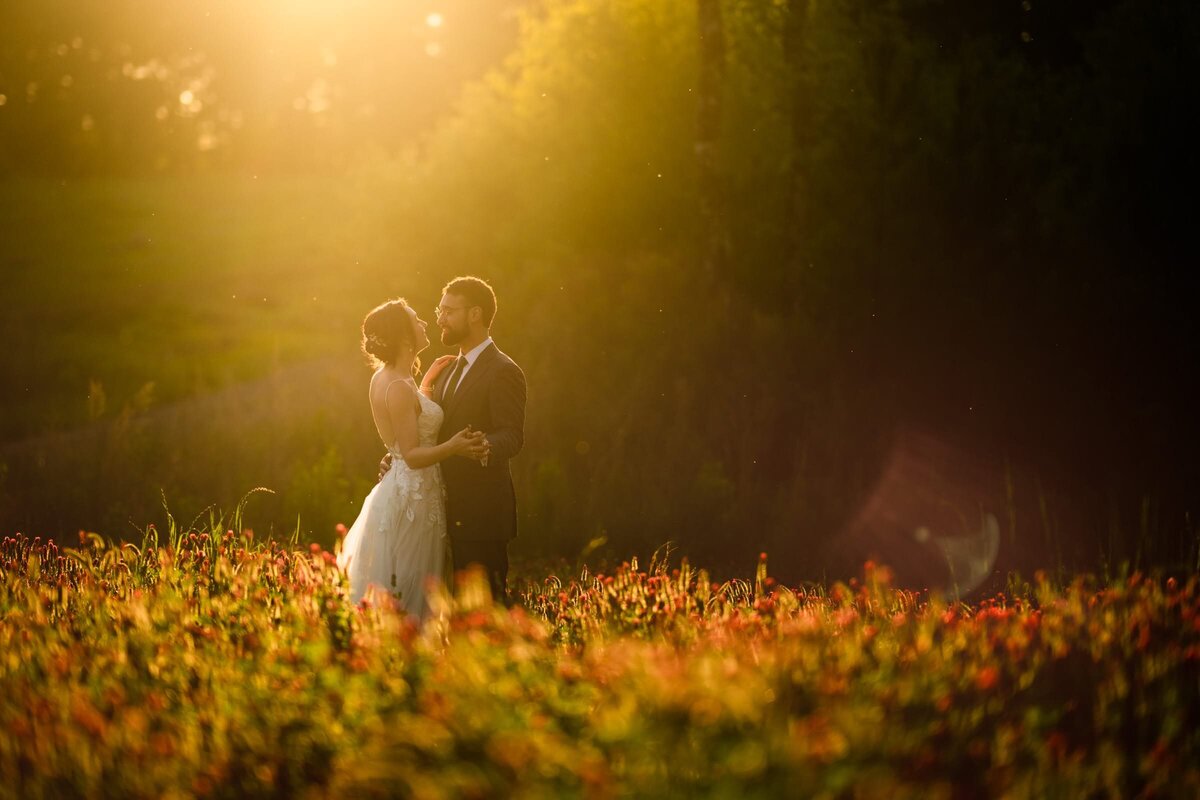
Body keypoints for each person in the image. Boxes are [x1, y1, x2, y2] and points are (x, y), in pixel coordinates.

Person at [337, 298, 489, 618]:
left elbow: (410, 424)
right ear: (405, 337)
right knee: (413, 583)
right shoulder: (397, 387)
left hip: (409, 490)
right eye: (416, 320)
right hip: (415, 501)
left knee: (409, 580)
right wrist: (456, 446)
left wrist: (426, 385)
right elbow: (413, 455)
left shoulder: (393, 379)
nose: (424, 323)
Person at [383, 276, 527, 603]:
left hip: (481, 514)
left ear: (474, 314)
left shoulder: (504, 370)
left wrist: (483, 446)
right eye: (440, 309)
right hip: (440, 513)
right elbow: (432, 430)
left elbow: (513, 435)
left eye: (448, 311)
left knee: (484, 611)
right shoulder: (447, 370)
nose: (439, 318)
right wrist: (398, 458)